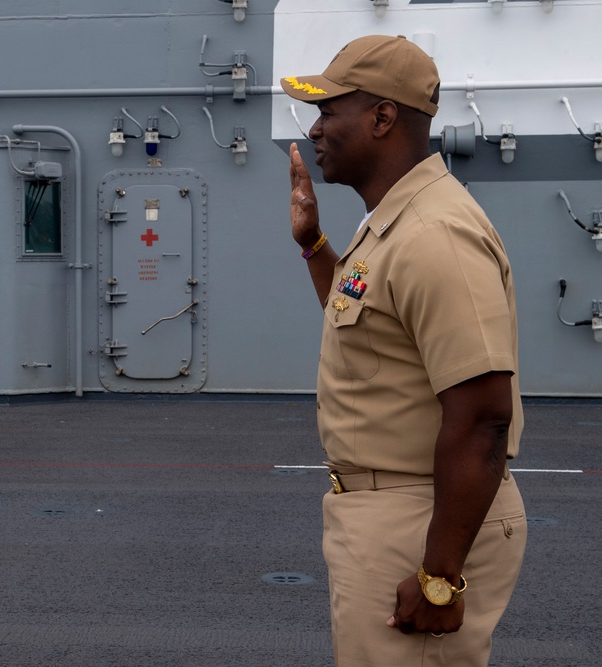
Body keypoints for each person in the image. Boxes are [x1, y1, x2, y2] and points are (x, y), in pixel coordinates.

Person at [281, 35, 526, 666]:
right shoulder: (394, 222)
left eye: (330, 110)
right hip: (394, 512)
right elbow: (367, 328)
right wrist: (314, 246)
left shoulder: (434, 234)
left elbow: (482, 418)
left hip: (420, 520)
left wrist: (438, 576)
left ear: (383, 117)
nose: (316, 128)